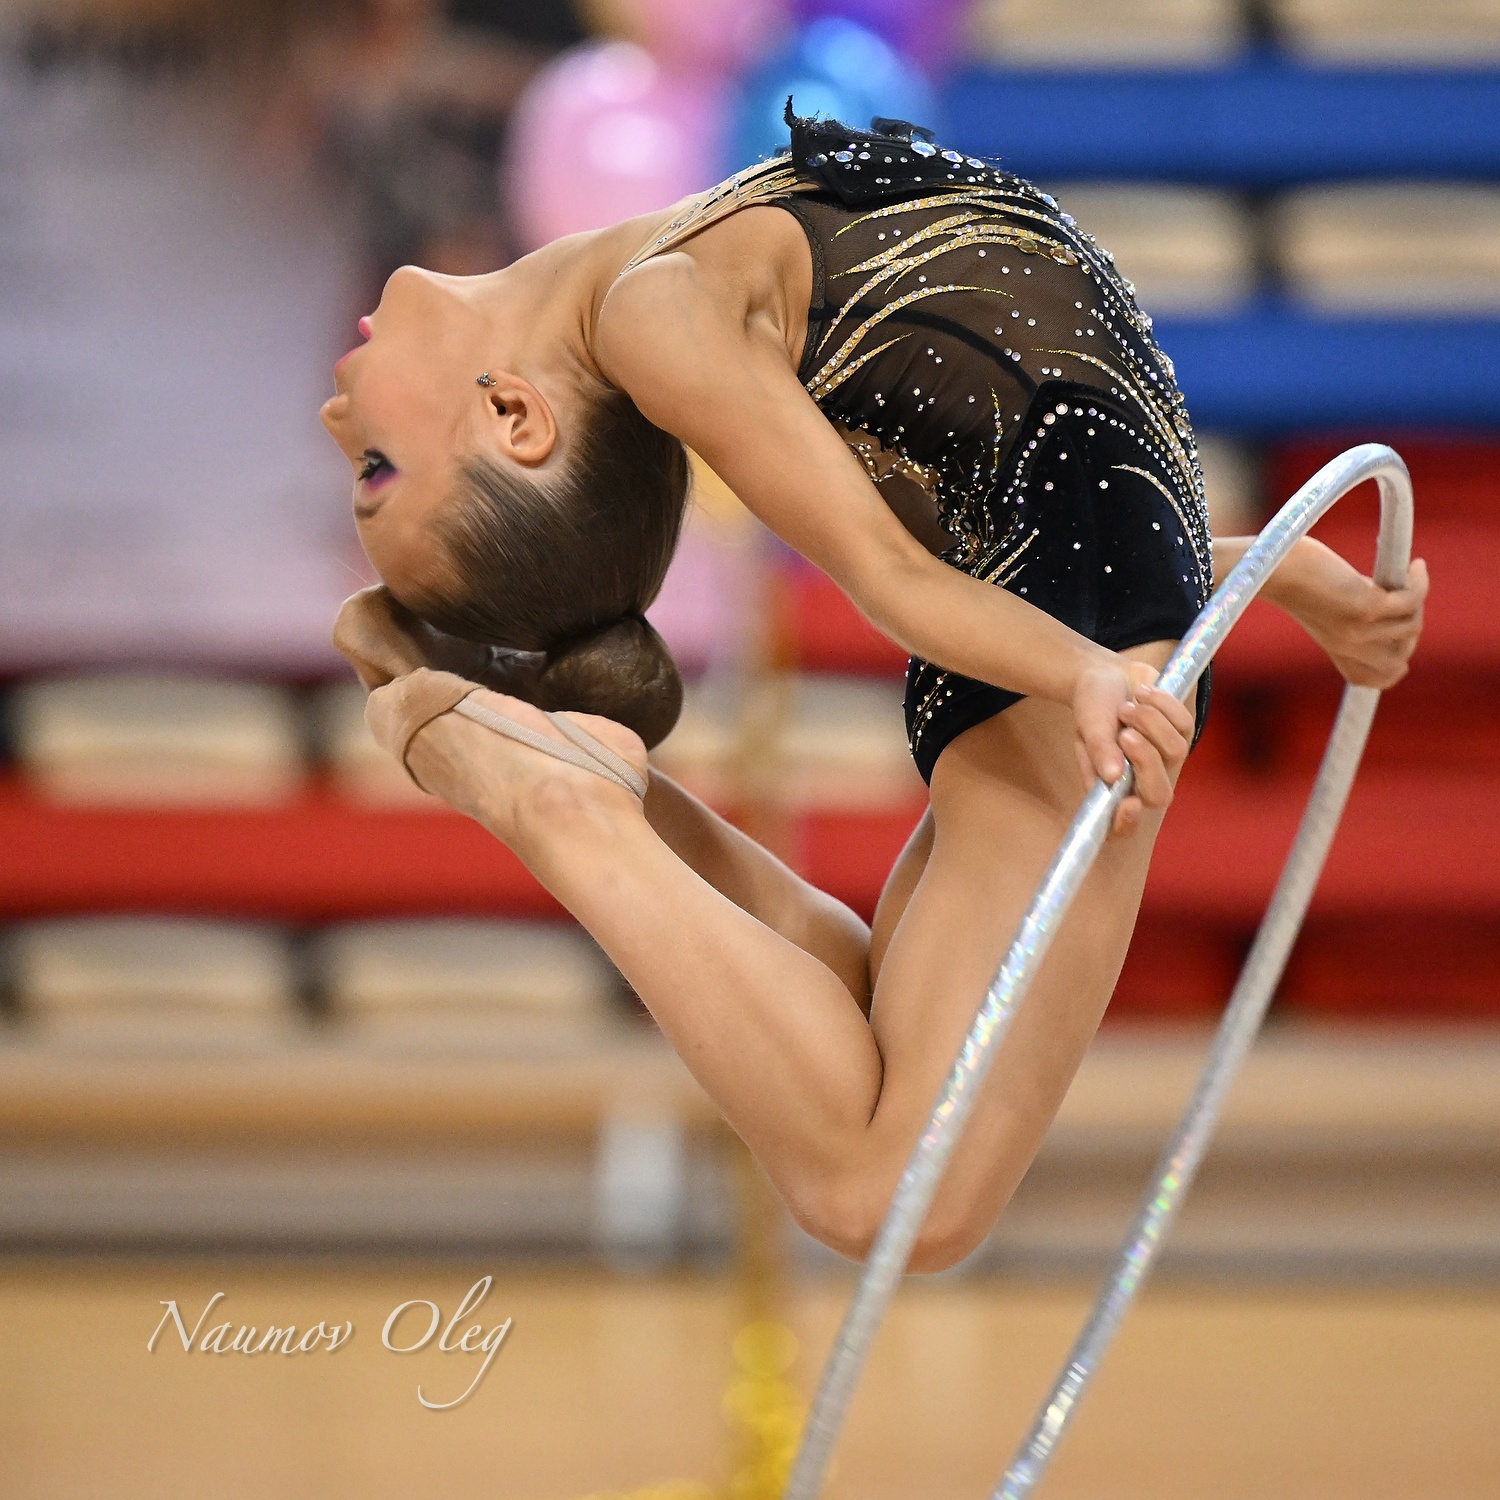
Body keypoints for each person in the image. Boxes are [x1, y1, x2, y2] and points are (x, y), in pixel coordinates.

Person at [321, 111, 1427, 1272]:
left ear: (515, 414)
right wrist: (1130, 649)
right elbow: (1004, 514)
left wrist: (1255, 580)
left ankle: (588, 797)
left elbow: (1023, 502)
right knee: (897, 1197)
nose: (334, 415)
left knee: (879, 1127)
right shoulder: (665, 303)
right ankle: (571, 808)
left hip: (1050, 647)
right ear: (513, 418)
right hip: (1056, 650)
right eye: (372, 463)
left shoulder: (665, 300)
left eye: (368, 472)